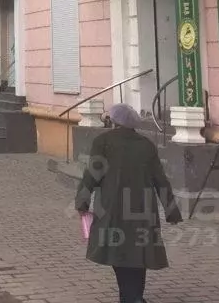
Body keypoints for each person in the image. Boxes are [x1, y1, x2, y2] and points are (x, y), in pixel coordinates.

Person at [75, 103, 182, 303]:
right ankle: (133, 297)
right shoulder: (146, 144)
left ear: (114, 120)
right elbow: (160, 179)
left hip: (112, 205)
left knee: (119, 251)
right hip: (142, 208)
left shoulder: (103, 141)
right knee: (137, 253)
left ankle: (131, 298)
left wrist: (82, 200)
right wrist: (172, 211)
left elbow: (92, 173)